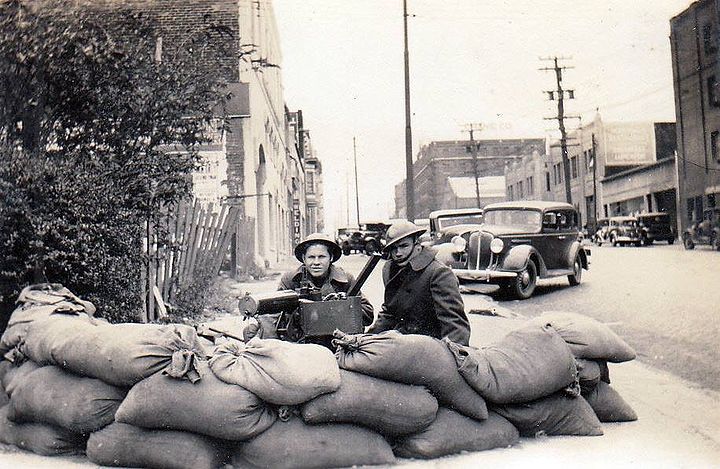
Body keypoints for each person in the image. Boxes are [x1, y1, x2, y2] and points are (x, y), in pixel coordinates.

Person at [243, 233, 373, 342]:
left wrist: (341, 308)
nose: (316, 262)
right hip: (301, 343)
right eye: (311, 257)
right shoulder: (291, 280)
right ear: (304, 259)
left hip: (335, 341)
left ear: (331, 258)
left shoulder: (345, 280)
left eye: (322, 257)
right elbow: (275, 314)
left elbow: (368, 314)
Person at [367, 220, 471, 345]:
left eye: (404, 246)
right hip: (402, 343)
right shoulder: (391, 270)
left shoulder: (438, 273)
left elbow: (454, 324)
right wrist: (367, 339)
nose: (398, 253)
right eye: (393, 249)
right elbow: (390, 313)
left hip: (431, 347)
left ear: (417, 244)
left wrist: (454, 356)